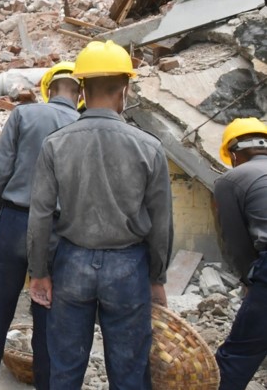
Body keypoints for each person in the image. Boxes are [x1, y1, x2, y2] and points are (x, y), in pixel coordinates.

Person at [26, 41, 172, 390]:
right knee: (129, 373)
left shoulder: (56, 143)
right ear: (124, 90)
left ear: (82, 90)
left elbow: (41, 215)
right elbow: (161, 223)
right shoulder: (149, 147)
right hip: (128, 267)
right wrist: (157, 276)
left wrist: (39, 272)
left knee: (65, 369)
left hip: (72, 262)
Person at [0, 62, 80, 390]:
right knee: (48, 317)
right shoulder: (83, 127)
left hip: (15, 220)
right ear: (79, 94)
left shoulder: (24, 115)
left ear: (48, 90)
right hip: (57, 231)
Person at [212, 118, 267, 390]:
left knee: (238, 354)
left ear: (233, 155)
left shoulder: (231, 180)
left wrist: (249, 281)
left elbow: (235, 242)